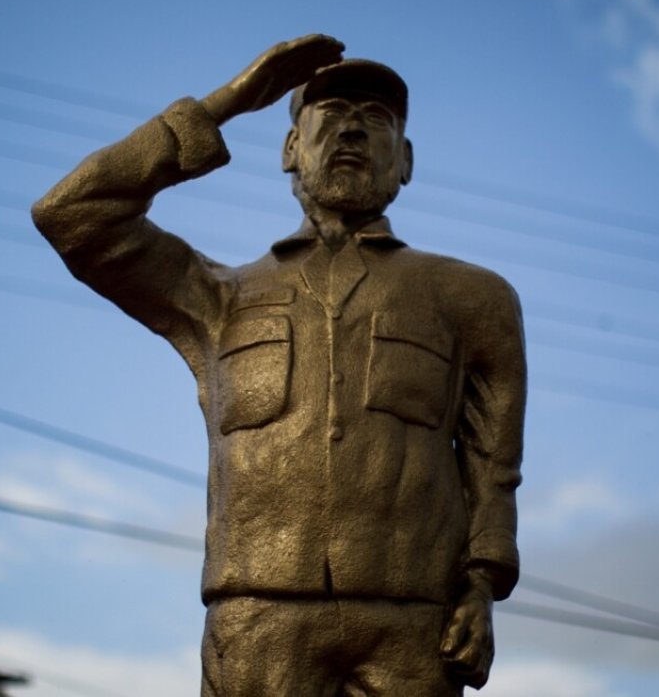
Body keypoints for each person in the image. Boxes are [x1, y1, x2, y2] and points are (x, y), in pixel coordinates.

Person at [33, 34, 526, 696]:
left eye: (377, 119)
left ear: (405, 161)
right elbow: (71, 214)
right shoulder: (218, 296)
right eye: (330, 115)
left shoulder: (471, 297)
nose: (352, 127)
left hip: (412, 618)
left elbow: (493, 466)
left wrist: (481, 584)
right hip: (256, 614)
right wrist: (228, 103)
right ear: (291, 149)